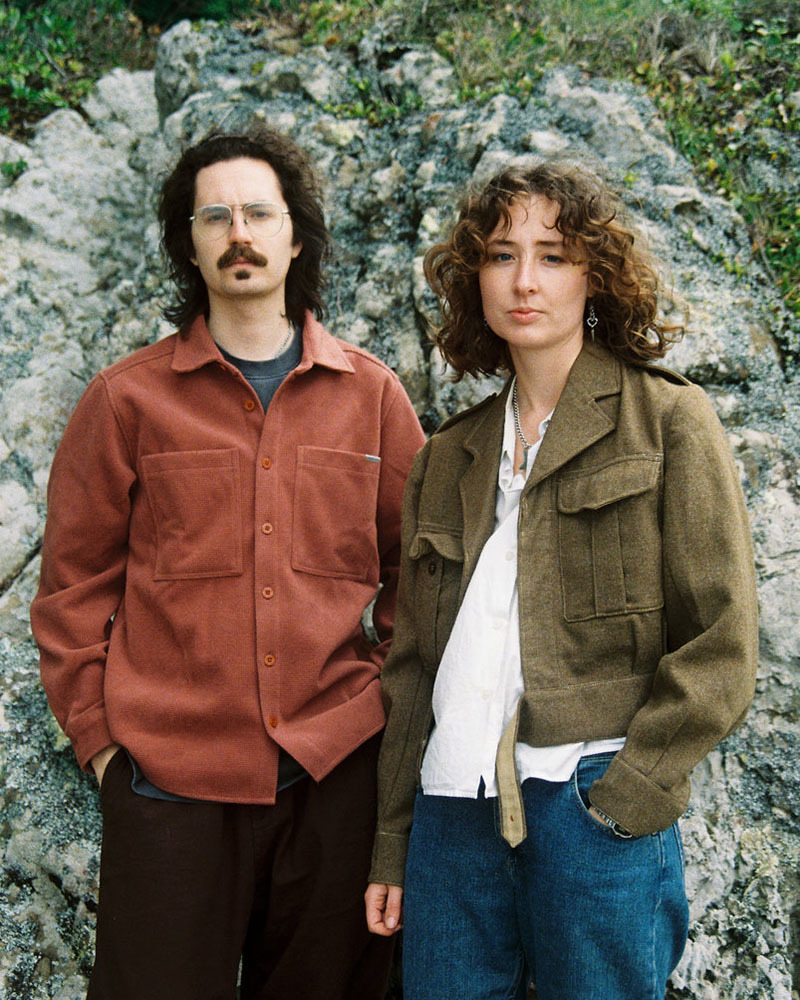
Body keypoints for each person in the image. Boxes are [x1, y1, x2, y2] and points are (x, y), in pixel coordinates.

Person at [30, 124, 425, 1000]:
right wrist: (104, 747)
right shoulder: (126, 401)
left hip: (334, 778)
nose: (238, 233)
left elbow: (424, 572)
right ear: (189, 243)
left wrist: (384, 706)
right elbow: (71, 593)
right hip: (169, 786)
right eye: (215, 217)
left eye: (258, 213)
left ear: (296, 235)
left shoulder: (372, 396)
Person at [365, 161, 759, 1000]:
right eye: (501, 256)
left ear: (594, 275)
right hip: (450, 814)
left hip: (589, 806)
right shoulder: (446, 456)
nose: (525, 281)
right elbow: (413, 666)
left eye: (552, 256)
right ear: (475, 277)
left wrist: (629, 796)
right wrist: (393, 841)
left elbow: (721, 640)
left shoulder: (668, 420)